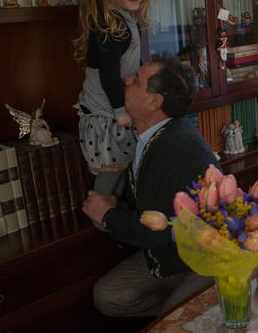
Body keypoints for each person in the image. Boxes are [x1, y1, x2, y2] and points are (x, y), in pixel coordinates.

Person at [84, 54, 219, 317]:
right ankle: (190, 308)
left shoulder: (172, 149)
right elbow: (150, 202)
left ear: (154, 102)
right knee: (108, 295)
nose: (126, 80)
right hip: (171, 255)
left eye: (136, 80)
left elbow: (155, 231)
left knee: (172, 326)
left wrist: (108, 216)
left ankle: (193, 307)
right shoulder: (159, 135)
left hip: (201, 265)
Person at [73, 0, 148, 198]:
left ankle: (111, 211)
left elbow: (131, 63)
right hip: (106, 114)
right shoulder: (111, 26)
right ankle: (100, 211)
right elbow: (108, 74)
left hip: (114, 111)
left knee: (122, 171)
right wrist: (120, 111)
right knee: (110, 172)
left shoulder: (126, 20)